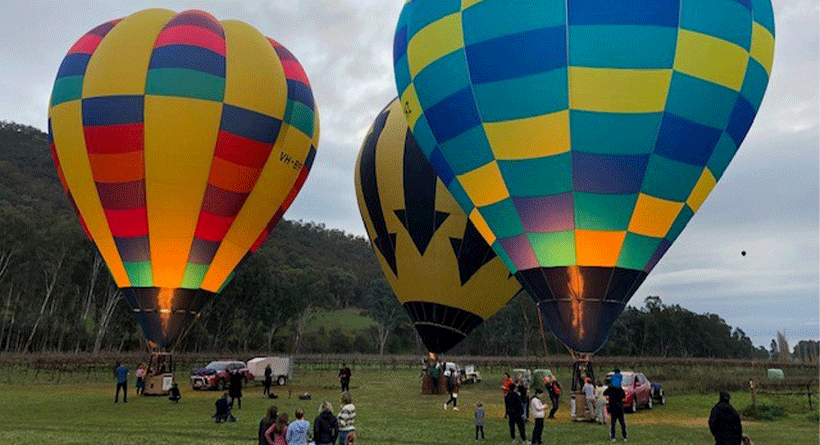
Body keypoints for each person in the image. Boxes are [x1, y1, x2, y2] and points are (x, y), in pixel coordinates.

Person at [604, 370, 627, 441]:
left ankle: (613, 436)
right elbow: (623, 396)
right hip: (620, 407)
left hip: (613, 407)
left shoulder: (610, 389)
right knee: (622, 422)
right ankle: (624, 436)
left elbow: (605, 393)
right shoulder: (620, 389)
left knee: (613, 423)